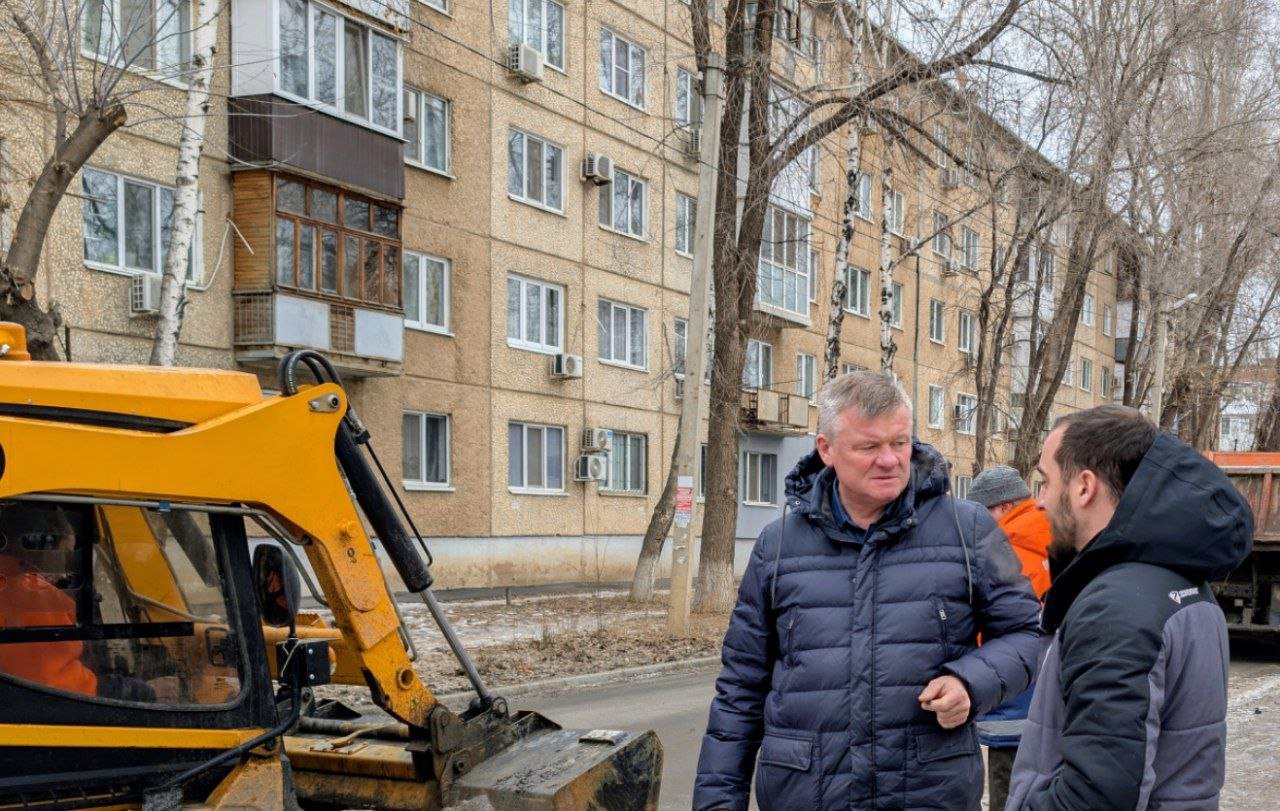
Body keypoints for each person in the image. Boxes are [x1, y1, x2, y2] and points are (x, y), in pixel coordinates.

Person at [693, 372, 1042, 811]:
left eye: (899, 442)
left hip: (927, 792)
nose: (890, 460)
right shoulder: (777, 545)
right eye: (869, 446)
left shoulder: (966, 529)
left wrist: (971, 685)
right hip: (806, 792)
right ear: (827, 449)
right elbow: (740, 690)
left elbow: (1028, 635)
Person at [1006, 405, 1253, 809]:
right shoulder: (1184, 580)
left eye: (1045, 482)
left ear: (1084, 487)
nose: (1038, 502)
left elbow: (1096, 795)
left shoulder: (1116, 607)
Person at [965, 466, 1053, 811]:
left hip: (1017, 695)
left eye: (981, 511)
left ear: (1003, 507)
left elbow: (1004, 627)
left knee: (1009, 792)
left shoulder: (1010, 549)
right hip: (1044, 693)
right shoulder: (1048, 535)